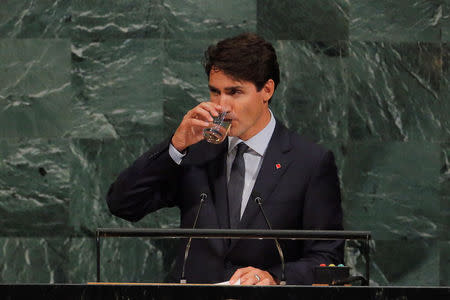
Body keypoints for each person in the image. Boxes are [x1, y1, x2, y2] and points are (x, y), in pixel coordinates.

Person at [106, 33, 343, 285]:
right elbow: (123, 204)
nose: (222, 106)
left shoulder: (309, 162)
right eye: (215, 92)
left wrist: (274, 277)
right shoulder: (196, 151)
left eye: (235, 92)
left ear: (267, 90)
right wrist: (175, 146)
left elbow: (327, 257)